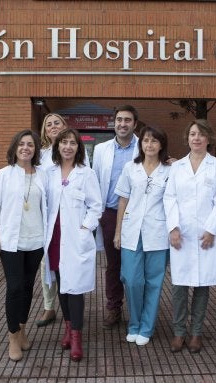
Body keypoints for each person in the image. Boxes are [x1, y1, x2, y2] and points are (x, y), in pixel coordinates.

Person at [163, 119, 216, 353]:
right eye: (192, 134)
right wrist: (173, 228)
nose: (197, 138)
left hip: (205, 235)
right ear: (187, 138)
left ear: (208, 138)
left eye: (201, 134)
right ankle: (179, 332)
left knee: (202, 285)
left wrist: (211, 229)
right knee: (179, 286)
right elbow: (169, 197)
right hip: (182, 234)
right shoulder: (177, 167)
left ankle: (196, 333)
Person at [0, 129, 47, 362]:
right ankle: (12, 336)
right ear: (15, 148)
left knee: (28, 287)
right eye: (22, 144)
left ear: (35, 150)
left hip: (35, 241)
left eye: (30, 145)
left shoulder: (42, 175)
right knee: (14, 288)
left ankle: (22, 329)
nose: (26, 148)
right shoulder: (4, 174)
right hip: (11, 242)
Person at [43, 128, 102, 362]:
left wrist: (85, 228)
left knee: (75, 287)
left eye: (72, 143)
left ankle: (76, 336)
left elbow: (95, 206)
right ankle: (67, 329)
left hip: (76, 237)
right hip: (55, 237)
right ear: (57, 146)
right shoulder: (48, 173)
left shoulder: (85, 174)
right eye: (64, 142)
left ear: (79, 148)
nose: (68, 146)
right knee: (61, 284)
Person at [113, 126, 171, 346]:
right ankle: (134, 324)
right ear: (141, 144)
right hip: (130, 231)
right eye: (146, 140)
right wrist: (118, 231)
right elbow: (123, 200)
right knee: (132, 279)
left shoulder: (169, 170)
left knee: (154, 282)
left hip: (157, 232)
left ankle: (146, 327)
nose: (149, 145)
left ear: (161, 145)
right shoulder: (130, 167)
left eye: (155, 141)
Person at [36, 113, 89, 327]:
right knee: (48, 266)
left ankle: (72, 321)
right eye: (48, 124)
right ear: (45, 130)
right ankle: (50, 307)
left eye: (56, 122)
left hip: (71, 220)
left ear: (64, 126)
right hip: (48, 220)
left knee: (69, 270)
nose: (53, 126)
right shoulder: (40, 155)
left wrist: (85, 226)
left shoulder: (77, 155)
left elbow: (87, 192)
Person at [92, 105, 140, 328]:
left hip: (139, 215)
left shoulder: (145, 147)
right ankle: (114, 307)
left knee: (137, 265)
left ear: (135, 124)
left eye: (127, 120)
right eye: (119, 119)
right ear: (114, 122)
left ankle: (138, 310)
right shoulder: (101, 149)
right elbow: (94, 181)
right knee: (113, 264)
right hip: (110, 213)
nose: (122, 124)